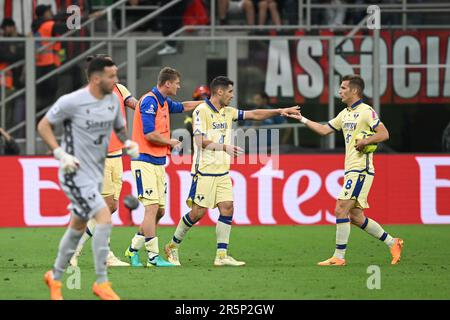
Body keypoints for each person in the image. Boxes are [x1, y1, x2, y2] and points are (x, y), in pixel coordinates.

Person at [164, 76, 300, 266]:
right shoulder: (201, 111)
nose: (232, 95)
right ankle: (172, 245)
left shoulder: (228, 112)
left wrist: (280, 111)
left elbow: (254, 114)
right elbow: (199, 141)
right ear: (219, 92)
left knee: (227, 207)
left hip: (222, 171)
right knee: (197, 213)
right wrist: (224, 147)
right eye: (229, 92)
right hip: (204, 170)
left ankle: (221, 256)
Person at [37, 57, 139, 300]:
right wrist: (60, 154)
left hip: (96, 169)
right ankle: (101, 282)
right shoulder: (71, 101)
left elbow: (118, 127)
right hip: (75, 171)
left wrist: (127, 142)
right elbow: (43, 126)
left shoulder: (113, 101)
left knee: (77, 227)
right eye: (111, 76)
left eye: (117, 76)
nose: (116, 81)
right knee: (104, 215)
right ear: (95, 78)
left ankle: (55, 276)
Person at [287, 74, 404, 266]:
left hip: (361, 169)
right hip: (351, 169)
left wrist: (366, 141)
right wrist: (301, 119)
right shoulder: (345, 113)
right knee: (356, 217)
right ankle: (393, 242)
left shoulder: (366, 111)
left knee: (340, 209)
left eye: (343, 88)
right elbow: (324, 130)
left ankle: (338, 258)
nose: (339, 91)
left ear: (354, 90)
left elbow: (384, 133)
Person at [124, 67, 203, 267]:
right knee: (151, 209)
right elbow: (150, 134)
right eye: (176, 83)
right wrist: (170, 141)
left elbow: (183, 106)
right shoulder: (150, 101)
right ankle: (152, 257)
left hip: (158, 162)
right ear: (167, 83)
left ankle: (133, 249)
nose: (178, 86)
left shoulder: (163, 101)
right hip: (145, 160)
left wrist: (208, 104)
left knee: (159, 212)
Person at [69, 54, 139, 267]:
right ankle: (104, 255)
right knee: (105, 206)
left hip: (117, 155)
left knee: (112, 206)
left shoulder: (120, 89)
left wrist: (152, 103)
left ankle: (76, 248)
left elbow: (135, 104)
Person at [32, 4, 65, 114]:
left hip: (39, 66)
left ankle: (39, 124)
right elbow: (69, 27)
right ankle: (45, 124)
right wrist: (79, 17)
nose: (51, 12)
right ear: (43, 14)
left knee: (42, 100)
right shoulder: (48, 25)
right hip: (48, 65)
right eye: (48, 11)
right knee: (49, 100)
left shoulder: (38, 26)